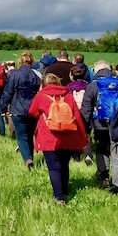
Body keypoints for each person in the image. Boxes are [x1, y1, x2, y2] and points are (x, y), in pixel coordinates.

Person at [28, 73, 87, 204]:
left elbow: (32, 112)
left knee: (54, 168)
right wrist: (83, 138)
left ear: (43, 83)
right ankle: (65, 190)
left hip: (49, 137)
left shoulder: (40, 96)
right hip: (68, 136)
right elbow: (77, 117)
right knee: (64, 165)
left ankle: (59, 197)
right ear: (59, 83)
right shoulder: (68, 96)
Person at [81, 60, 118, 193]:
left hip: (99, 124)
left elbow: (86, 109)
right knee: (117, 153)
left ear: (95, 70)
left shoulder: (92, 86)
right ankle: (117, 185)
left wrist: (86, 128)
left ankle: (103, 175)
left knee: (101, 150)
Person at [1, 52, 41, 169]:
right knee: (29, 137)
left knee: (21, 137)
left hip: (18, 109)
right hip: (33, 110)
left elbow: (8, 93)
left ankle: (27, 159)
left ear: (20, 61)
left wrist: (3, 108)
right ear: (32, 61)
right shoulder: (36, 75)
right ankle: (31, 159)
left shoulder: (15, 74)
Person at [68, 66, 92, 164]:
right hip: (86, 113)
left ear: (71, 76)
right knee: (86, 134)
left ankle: (76, 156)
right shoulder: (88, 86)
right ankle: (88, 154)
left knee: (74, 135)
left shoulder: (68, 87)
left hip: (73, 113)